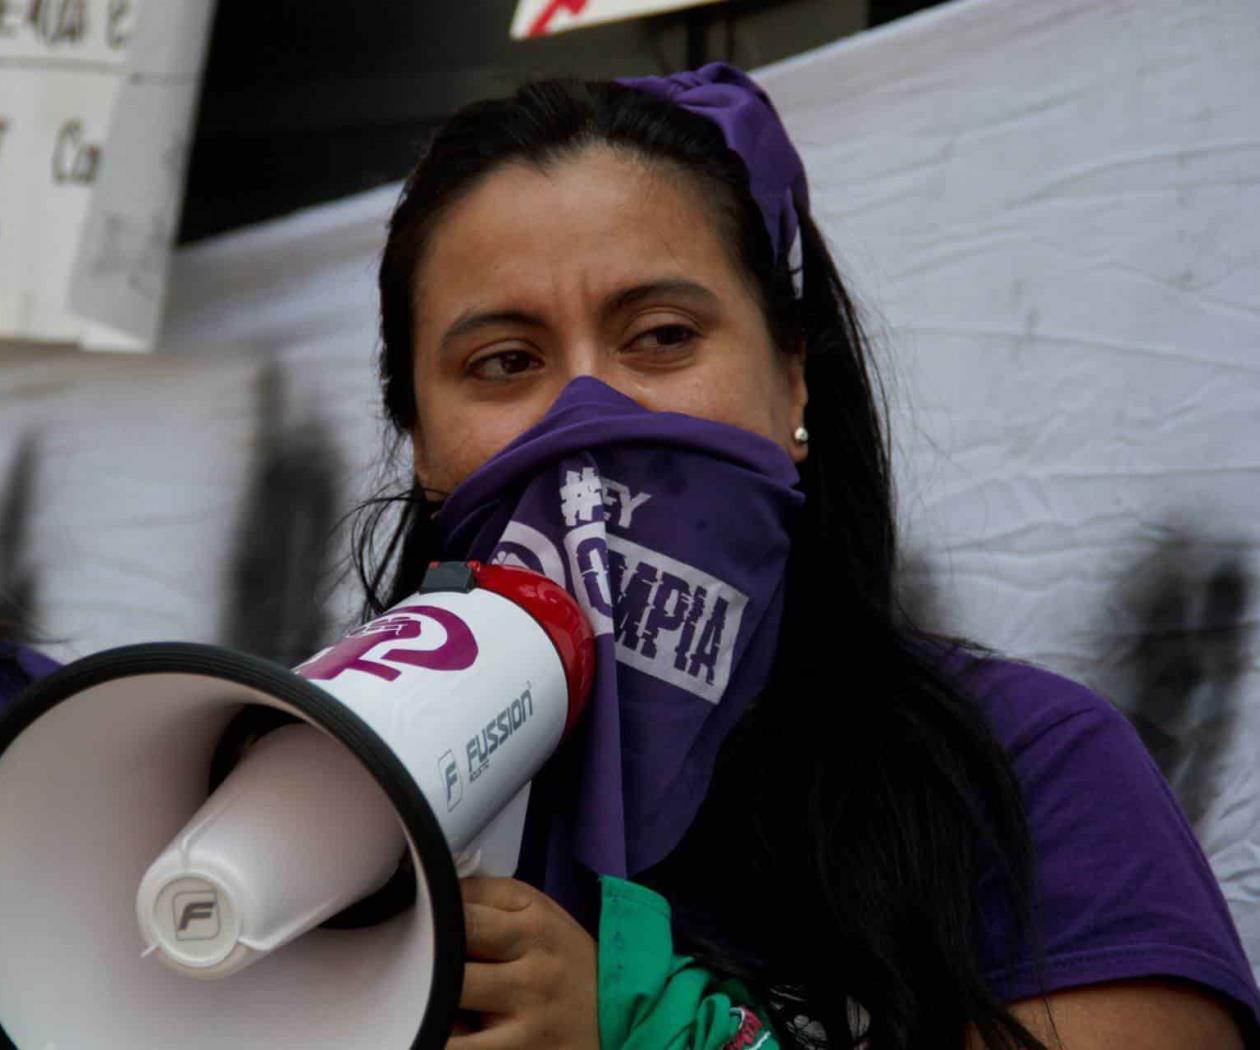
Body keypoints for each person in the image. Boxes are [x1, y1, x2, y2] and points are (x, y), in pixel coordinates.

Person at [355, 63, 1260, 1049]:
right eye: (505, 362)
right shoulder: (330, 800)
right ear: (421, 442)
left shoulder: (1026, 770)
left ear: (792, 385)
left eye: (660, 335)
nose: (586, 417)